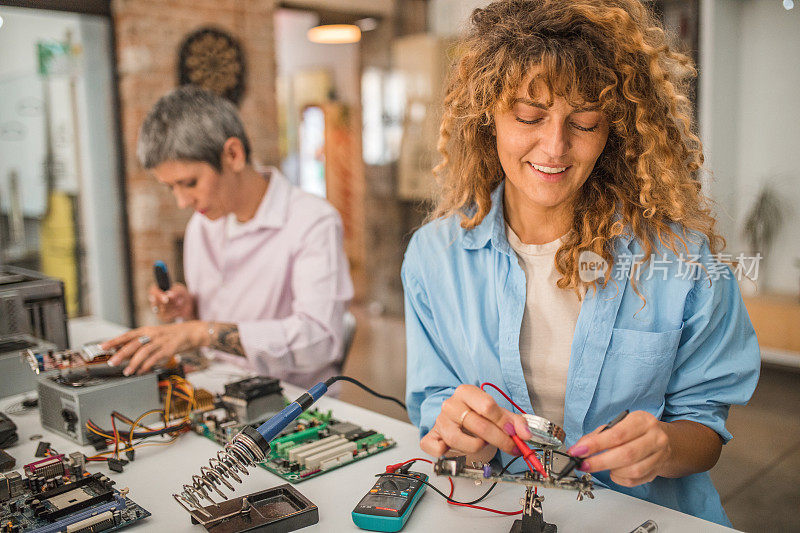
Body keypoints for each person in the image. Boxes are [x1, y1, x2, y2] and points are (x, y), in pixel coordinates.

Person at [402, 0, 759, 526]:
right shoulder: (435, 257)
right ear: (488, 117)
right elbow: (435, 403)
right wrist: (457, 433)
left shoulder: (679, 260)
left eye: (585, 123)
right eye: (529, 117)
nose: (555, 147)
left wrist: (663, 446)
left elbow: (704, 432)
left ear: (614, 129)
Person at [103, 86, 353, 388]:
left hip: (292, 404)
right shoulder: (202, 225)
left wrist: (200, 331)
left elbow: (319, 341)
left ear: (233, 155)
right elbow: (214, 328)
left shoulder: (313, 221)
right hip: (216, 388)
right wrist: (189, 311)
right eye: (172, 188)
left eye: (189, 183)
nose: (182, 202)